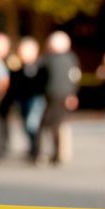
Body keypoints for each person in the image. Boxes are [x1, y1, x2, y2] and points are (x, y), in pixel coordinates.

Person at [33, 31, 80, 165]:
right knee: (59, 124)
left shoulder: (48, 59)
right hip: (64, 95)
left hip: (54, 95)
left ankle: (47, 153)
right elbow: (75, 77)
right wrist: (72, 94)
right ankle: (60, 153)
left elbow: (39, 76)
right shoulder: (71, 58)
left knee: (48, 125)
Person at [9, 37, 46, 160]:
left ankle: (37, 151)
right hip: (23, 100)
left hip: (36, 99)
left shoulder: (41, 65)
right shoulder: (18, 66)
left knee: (33, 125)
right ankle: (32, 150)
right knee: (26, 125)